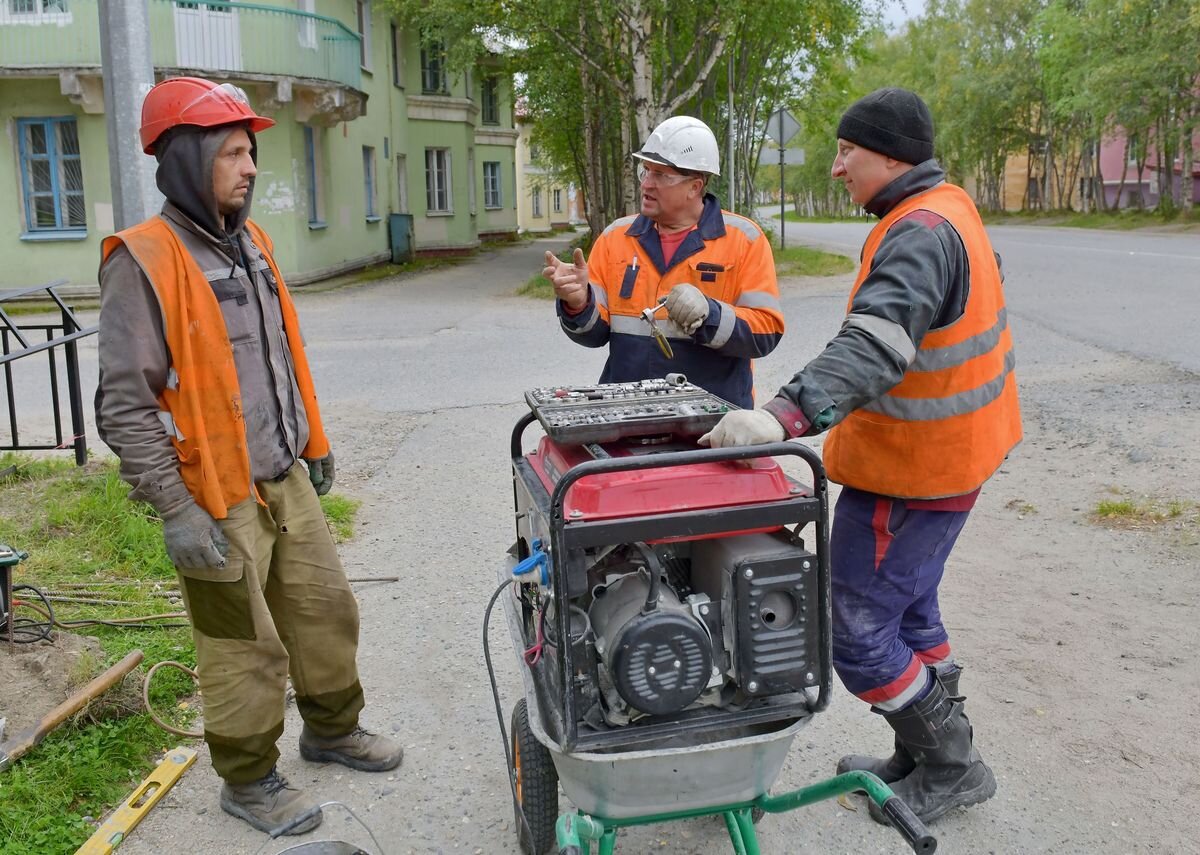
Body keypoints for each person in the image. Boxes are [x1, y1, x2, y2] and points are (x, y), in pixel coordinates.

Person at [699, 88, 1021, 825]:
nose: (838, 167)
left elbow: (875, 345)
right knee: (908, 611)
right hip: (954, 457)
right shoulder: (950, 208)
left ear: (891, 156)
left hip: (913, 470)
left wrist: (779, 416)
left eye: (848, 153)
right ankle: (925, 748)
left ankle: (951, 763)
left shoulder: (916, 232)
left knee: (857, 633)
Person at [94, 77, 403, 836]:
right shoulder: (143, 261)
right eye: (232, 152)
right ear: (188, 160)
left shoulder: (253, 245)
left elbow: (280, 359)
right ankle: (249, 777)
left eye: (250, 152)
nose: (249, 167)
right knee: (243, 646)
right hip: (214, 496)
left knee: (326, 609)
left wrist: (313, 444)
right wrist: (175, 509)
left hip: (282, 475)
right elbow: (123, 407)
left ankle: (331, 729)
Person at [542, 116, 784, 408]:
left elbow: (765, 333)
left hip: (713, 419)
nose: (647, 183)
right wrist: (578, 304)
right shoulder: (615, 238)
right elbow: (594, 335)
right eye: (645, 171)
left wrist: (711, 315)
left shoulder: (744, 239)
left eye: (661, 175)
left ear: (695, 186)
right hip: (628, 414)